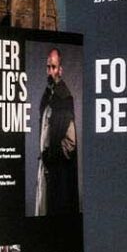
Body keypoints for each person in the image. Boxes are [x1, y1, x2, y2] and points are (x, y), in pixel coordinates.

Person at [35, 48, 79, 215]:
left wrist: (50, 156)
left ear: (60, 69)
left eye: (53, 67)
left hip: (56, 172)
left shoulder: (65, 98)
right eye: (48, 67)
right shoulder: (48, 96)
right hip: (44, 169)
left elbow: (70, 142)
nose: (50, 71)